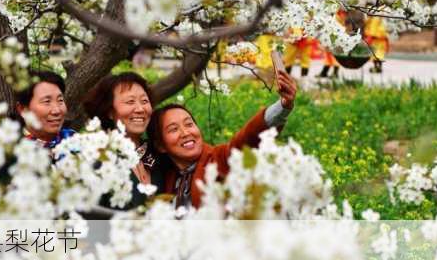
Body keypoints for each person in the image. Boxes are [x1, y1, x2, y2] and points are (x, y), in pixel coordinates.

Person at [147, 70, 297, 209]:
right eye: (173, 129)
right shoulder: (166, 176)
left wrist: (283, 106)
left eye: (189, 124)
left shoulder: (218, 160)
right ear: (160, 145)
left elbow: (246, 139)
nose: (185, 132)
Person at [83, 72, 168, 202]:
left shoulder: (159, 154)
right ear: (110, 112)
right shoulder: (97, 159)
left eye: (144, 101)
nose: (140, 109)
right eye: (130, 101)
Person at [15, 70, 75, 149]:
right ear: (22, 109)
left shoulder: (74, 140)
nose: (57, 111)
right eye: (47, 101)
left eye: (60, 100)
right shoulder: (11, 151)